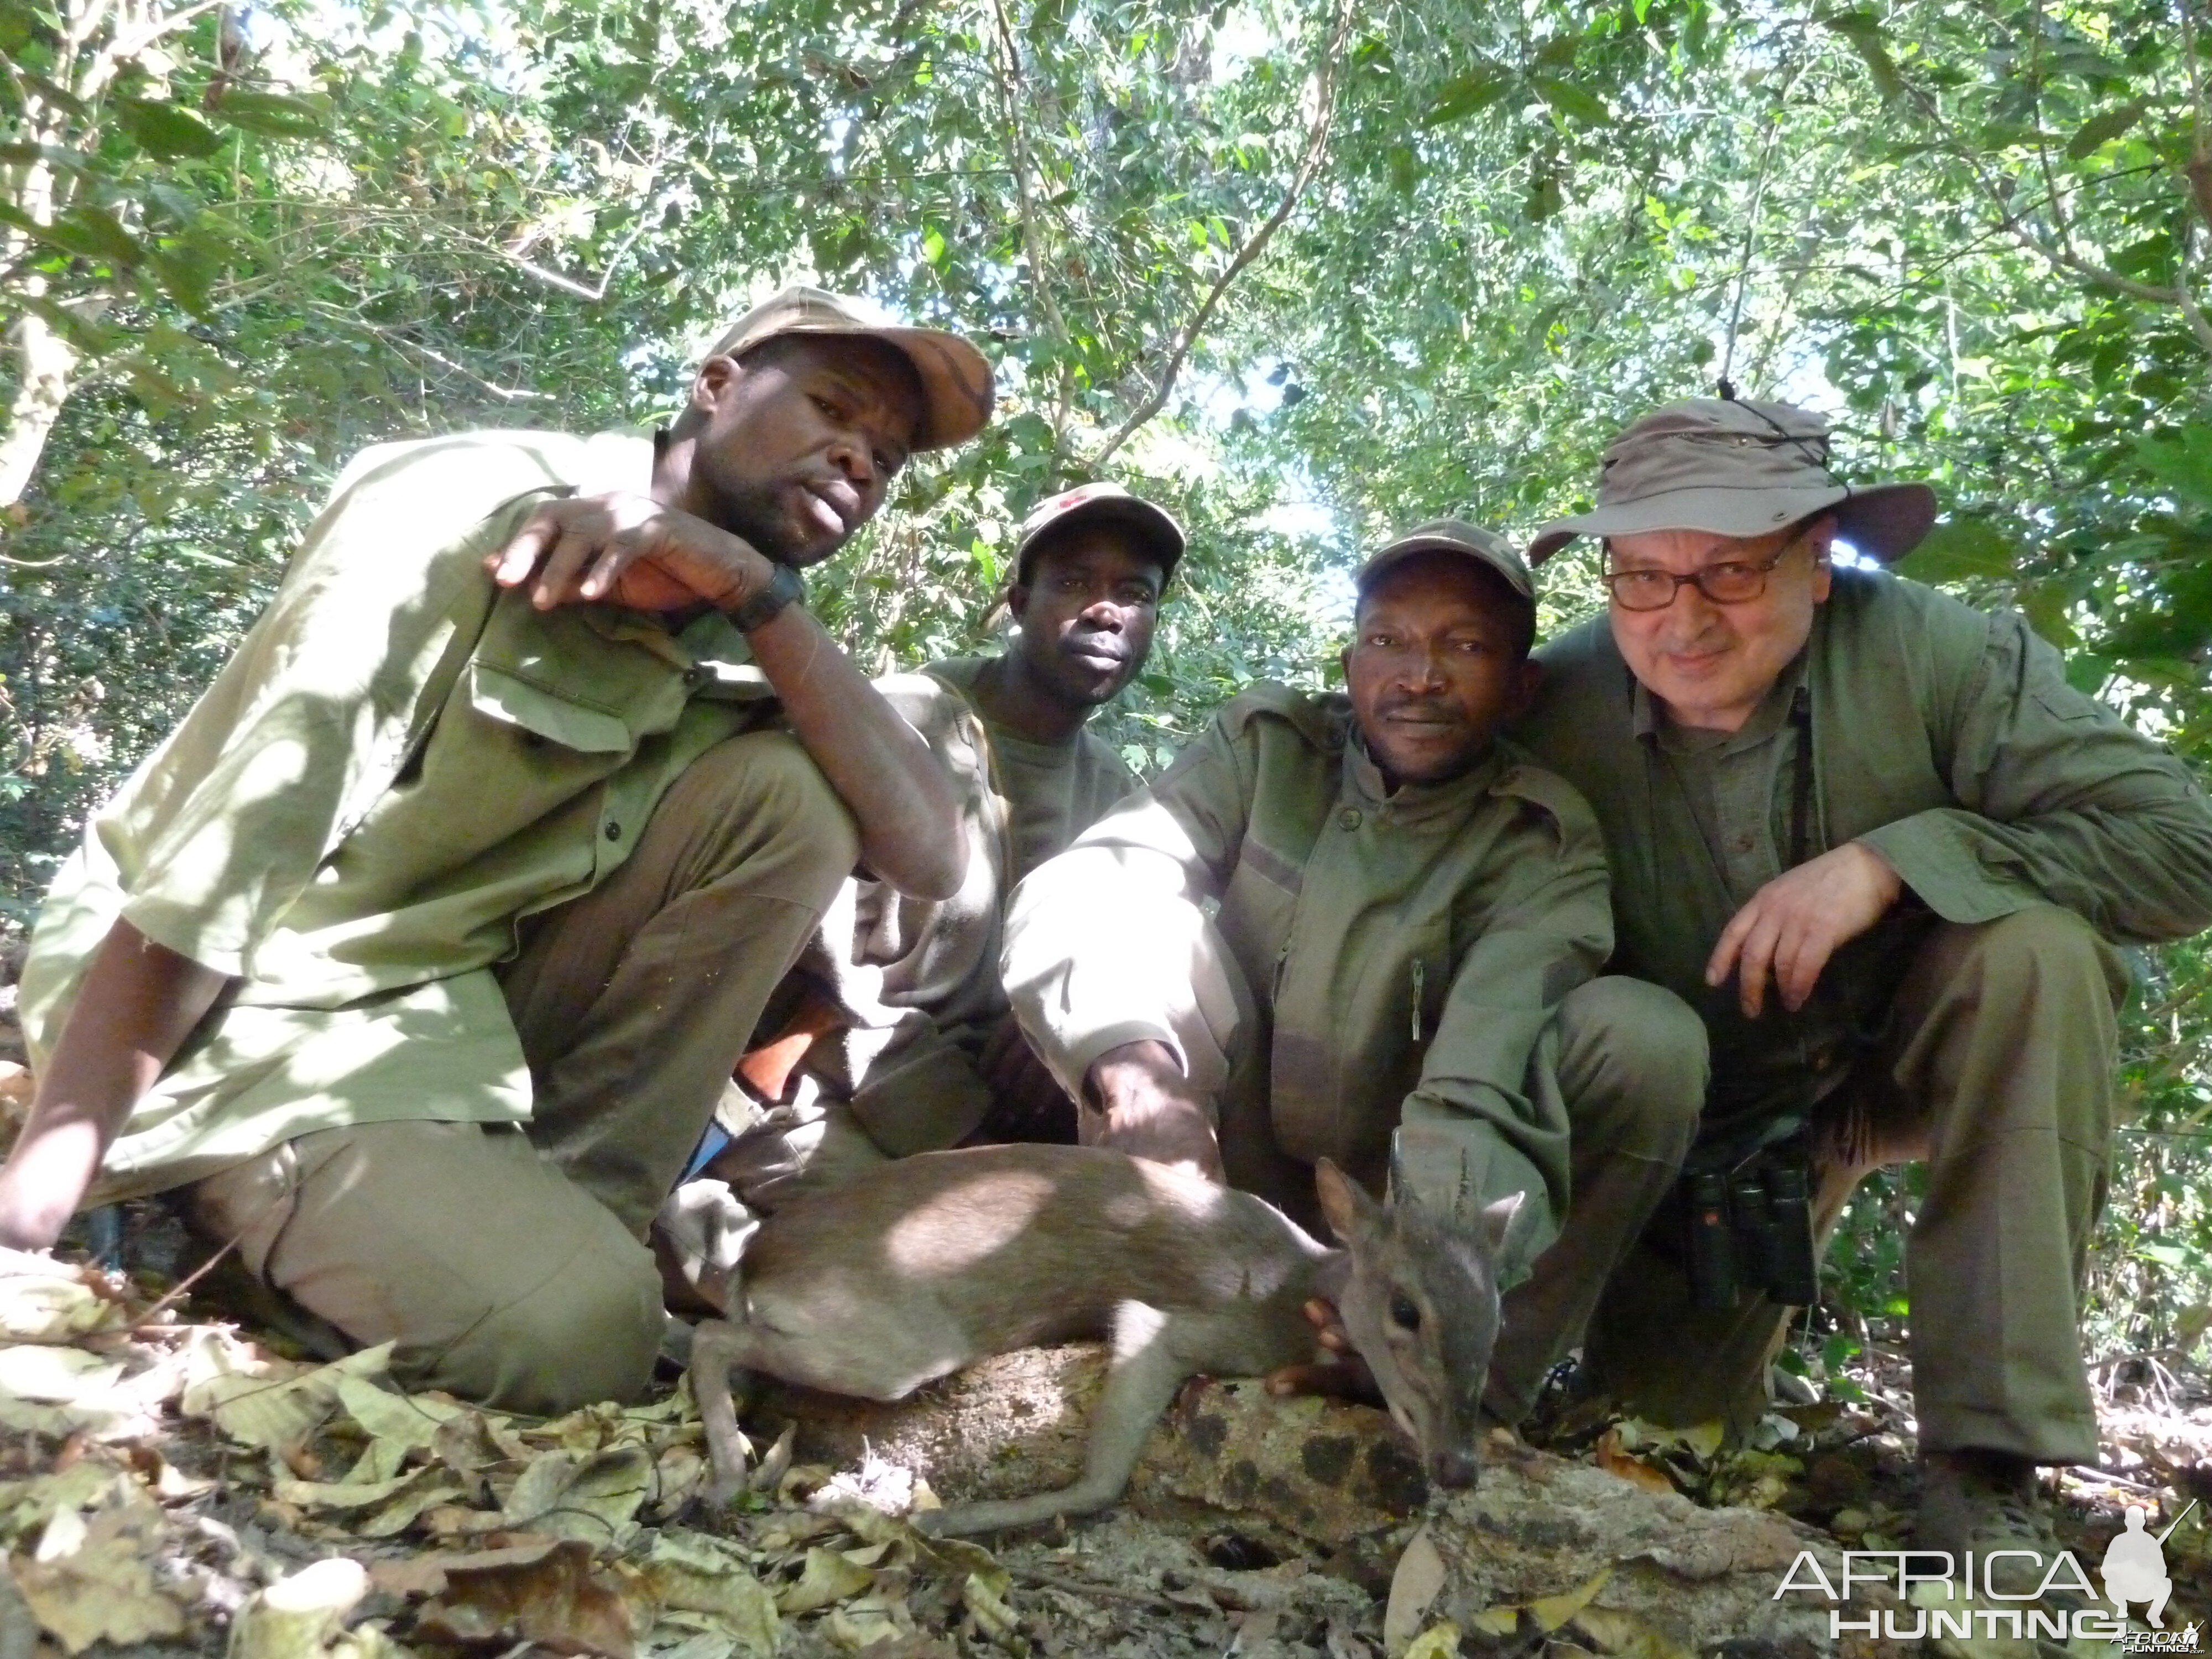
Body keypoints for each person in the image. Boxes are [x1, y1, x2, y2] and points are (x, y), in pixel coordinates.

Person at [0, 285, 995, 1413]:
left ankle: (552, 1218)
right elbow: (233, 851)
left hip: (438, 1015)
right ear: (716, 386)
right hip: (251, 1008)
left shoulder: (736, 618)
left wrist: (763, 597)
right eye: (834, 408)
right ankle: (214, 1217)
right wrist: (48, 1190)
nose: (858, 461)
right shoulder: (470, 505)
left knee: (793, 800)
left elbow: (930, 859)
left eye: (886, 455)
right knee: (589, 1339)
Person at [1513, 395, 2212, 1571]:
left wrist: (1898, 860)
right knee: (1659, 1427)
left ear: (1818, 564)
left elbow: (2182, 849)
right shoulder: (1549, 708)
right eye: (1640, 576)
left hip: (1908, 1066)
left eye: (1729, 572)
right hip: (1712, 1122)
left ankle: (1986, 1462)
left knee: (2032, 954)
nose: (1679, 620)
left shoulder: (1940, 655)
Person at [1001, 523, 1704, 1364]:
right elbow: (1096, 881)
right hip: (1215, 1168)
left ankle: (1473, 1381)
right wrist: (1139, 1080)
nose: (1420, 675)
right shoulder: (1269, 748)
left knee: (1644, 1036)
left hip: (1399, 1200)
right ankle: (1146, 1319)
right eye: (1388, 641)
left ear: (1520, 690)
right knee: (1146, 919)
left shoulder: (1539, 841)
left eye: (1465, 645)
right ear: (1350, 667)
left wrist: (1407, 1281)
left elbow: (1481, 1077)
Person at [702, 481, 1184, 1204]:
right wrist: (965, 1131)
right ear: (1019, 603)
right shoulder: (902, 723)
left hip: (988, 1120)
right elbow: (807, 982)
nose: (1106, 611)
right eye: (1075, 582)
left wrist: (1056, 1033)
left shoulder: (1116, 798)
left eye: (1135, 593)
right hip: (825, 1093)